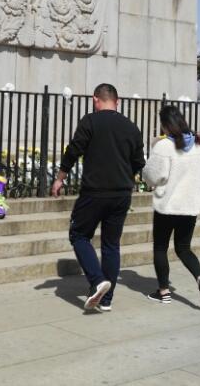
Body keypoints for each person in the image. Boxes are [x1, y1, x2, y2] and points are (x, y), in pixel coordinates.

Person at [52, 83, 145, 312]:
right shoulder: (131, 127)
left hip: (95, 191)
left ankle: (97, 280)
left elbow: (74, 150)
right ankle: (106, 300)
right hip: (121, 193)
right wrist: (125, 177)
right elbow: (139, 162)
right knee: (111, 245)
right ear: (117, 101)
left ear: (95, 100)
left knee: (79, 234)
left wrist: (60, 177)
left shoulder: (90, 121)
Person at [141, 104, 200, 307]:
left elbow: (153, 175)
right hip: (190, 206)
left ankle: (164, 292)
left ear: (165, 125)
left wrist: (155, 149)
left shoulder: (164, 146)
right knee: (183, 248)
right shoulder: (198, 145)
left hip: (168, 205)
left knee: (160, 247)